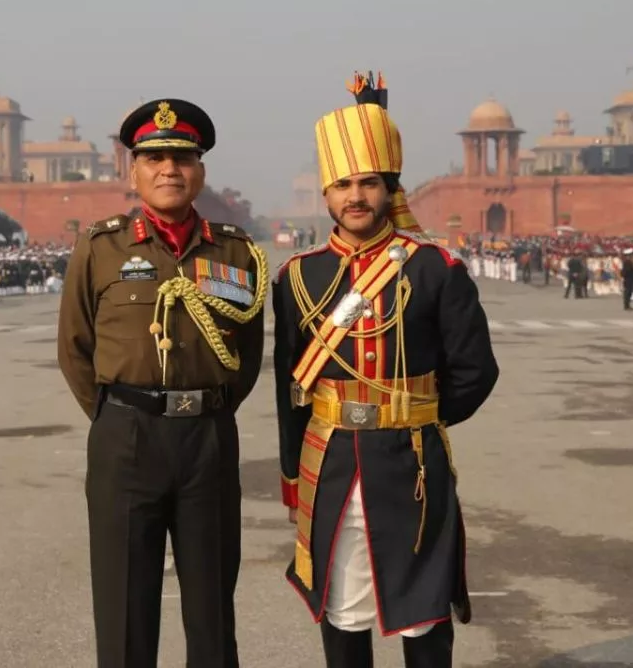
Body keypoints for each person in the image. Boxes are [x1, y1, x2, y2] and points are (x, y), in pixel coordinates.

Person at [273, 72, 500, 668]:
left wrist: (417, 414)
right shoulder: (298, 276)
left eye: (368, 182)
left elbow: (476, 370)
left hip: (413, 461)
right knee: (342, 607)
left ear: (388, 188)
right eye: (343, 184)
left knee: (424, 614)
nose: (355, 196)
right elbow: (289, 385)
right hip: (331, 461)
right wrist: (290, 469)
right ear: (325, 195)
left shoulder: (435, 269)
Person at [57, 98, 268, 668]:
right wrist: (120, 410)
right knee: (125, 608)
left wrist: (206, 405)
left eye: (182, 157)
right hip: (126, 437)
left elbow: (246, 355)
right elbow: (75, 348)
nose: (168, 168)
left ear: (200, 170)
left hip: (208, 439)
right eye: (154, 157)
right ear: (133, 171)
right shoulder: (99, 248)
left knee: (211, 609)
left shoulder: (236, 252)